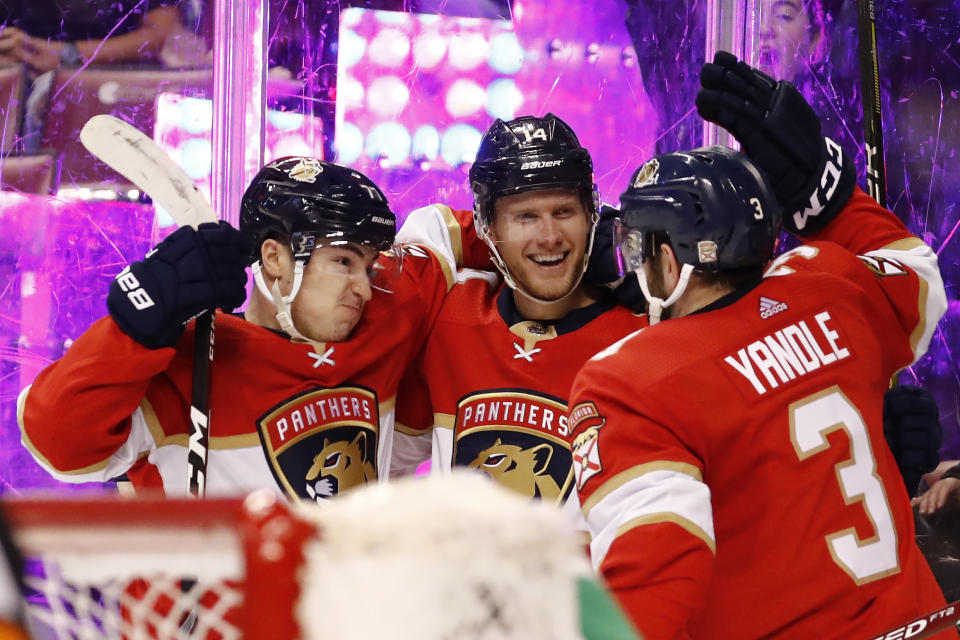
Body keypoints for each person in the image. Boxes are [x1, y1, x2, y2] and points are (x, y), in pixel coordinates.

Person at [567, 51, 953, 638]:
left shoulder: (629, 377)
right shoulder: (830, 281)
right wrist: (830, 197)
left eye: (639, 245)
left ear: (669, 260)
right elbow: (919, 280)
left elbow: (657, 581)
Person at [17, 157, 482, 500]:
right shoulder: (188, 360)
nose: (364, 286)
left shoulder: (379, 310)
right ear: (276, 258)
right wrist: (133, 329)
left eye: (369, 265)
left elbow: (441, 232)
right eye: (343, 261)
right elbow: (56, 443)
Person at [392, 114, 646, 521]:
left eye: (564, 212)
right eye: (526, 217)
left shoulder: (644, 337)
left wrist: (638, 257)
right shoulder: (449, 316)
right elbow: (381, 466)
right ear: (486, 227)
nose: (549, 236)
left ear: (593, 218)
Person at [0, 1, 182, 150]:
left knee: (50, 91)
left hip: (101, 76)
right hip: (12, 71)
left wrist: (67, 54)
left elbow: (161, 33)